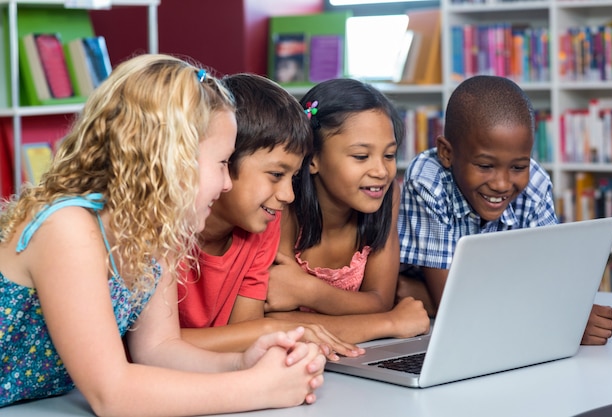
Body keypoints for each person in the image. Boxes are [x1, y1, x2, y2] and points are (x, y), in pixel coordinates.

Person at [0, 54, 325, 414]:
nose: (227, 182)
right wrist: (259, 389)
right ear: (172, 158)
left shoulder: (154, 231)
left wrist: (242, 363)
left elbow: (158, 349)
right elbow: (113, 394)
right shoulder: (67, 227)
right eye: (221, 163)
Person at [396, 74, 612, 345]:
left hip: (486, 310)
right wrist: (563, 323)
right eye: (484, 166)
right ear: (447, 153)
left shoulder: (536, 184)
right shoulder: (427, 181)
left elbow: (549, 280)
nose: (502, 184)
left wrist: (554, 307)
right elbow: (452, 306)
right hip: (444, 333)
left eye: (518, 167)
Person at [177, 72, 361, 359]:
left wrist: (265, 333)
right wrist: (270, 329)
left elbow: (242, 334)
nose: (288, 195)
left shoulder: (264, 226)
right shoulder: (165, 231)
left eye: (293, 177)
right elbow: (155, 345)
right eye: (276, 174)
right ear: (224, 159)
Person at [265, 78, 430, 344]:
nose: (380, 171)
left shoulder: (386, 195)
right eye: (361, 156)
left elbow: (380, 300)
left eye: (389, 156)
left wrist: (309, 291)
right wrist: (389, 323)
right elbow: (272, 324)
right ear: (313, 158)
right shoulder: (284, 205)